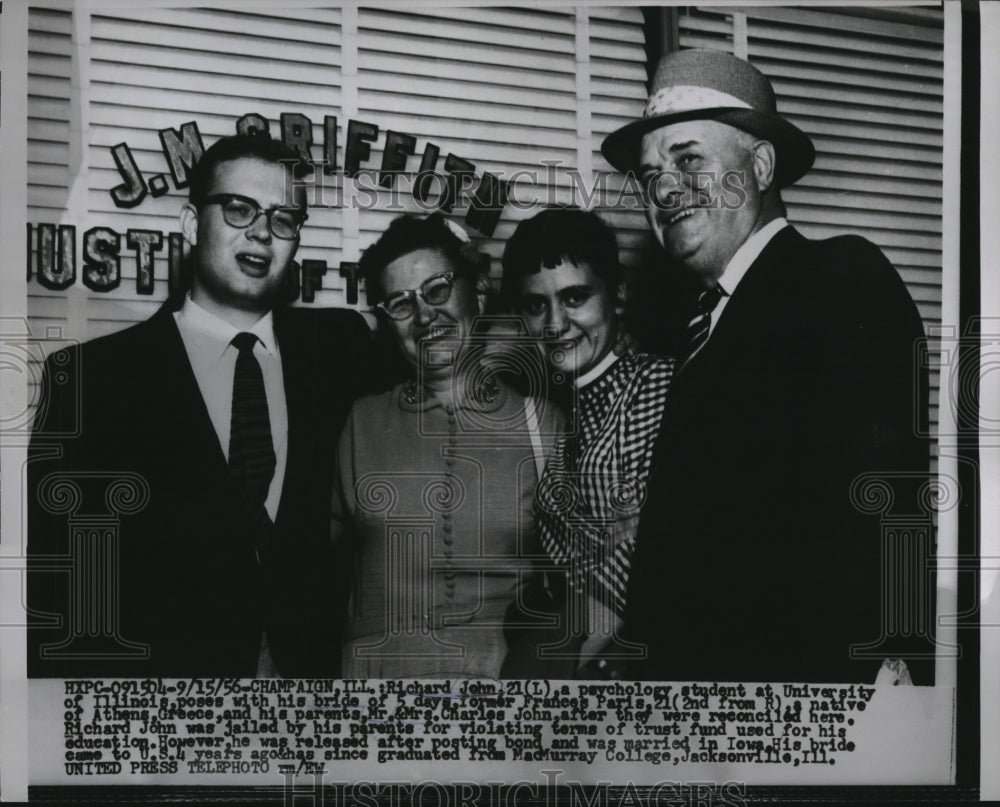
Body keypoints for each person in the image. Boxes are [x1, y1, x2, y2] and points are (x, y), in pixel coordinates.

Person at [600, 49, 933, 683]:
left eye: (688, 159)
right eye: (650, 175)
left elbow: (883, 507)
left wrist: (883, 681)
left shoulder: (838, 278)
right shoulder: (703, 326)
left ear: (759, 166)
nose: (664, 187)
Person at [27, 134, 376, 678]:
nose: (262, 231)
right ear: (192, 224)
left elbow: (433, 379)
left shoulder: (339, 350)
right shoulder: (92, 380)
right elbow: (63, 594)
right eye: (239, 208)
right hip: (161, 723)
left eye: (284, 218)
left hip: (314, 714)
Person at [332, 213, 561, 679]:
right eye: (400, 303)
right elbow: (304, 573)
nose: (422, 316)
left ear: (477, 290)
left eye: (437, 290)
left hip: (503, 697)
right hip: (374, 705)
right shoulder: (360, 421)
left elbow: (588, 583)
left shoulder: (544, 423)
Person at [498, 207, 674, 677]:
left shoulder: (656, 386)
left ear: (616, 294)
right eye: (536, 305)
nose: (555, 325)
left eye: (574, 298)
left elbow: (660, 546)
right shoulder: (571, 413)